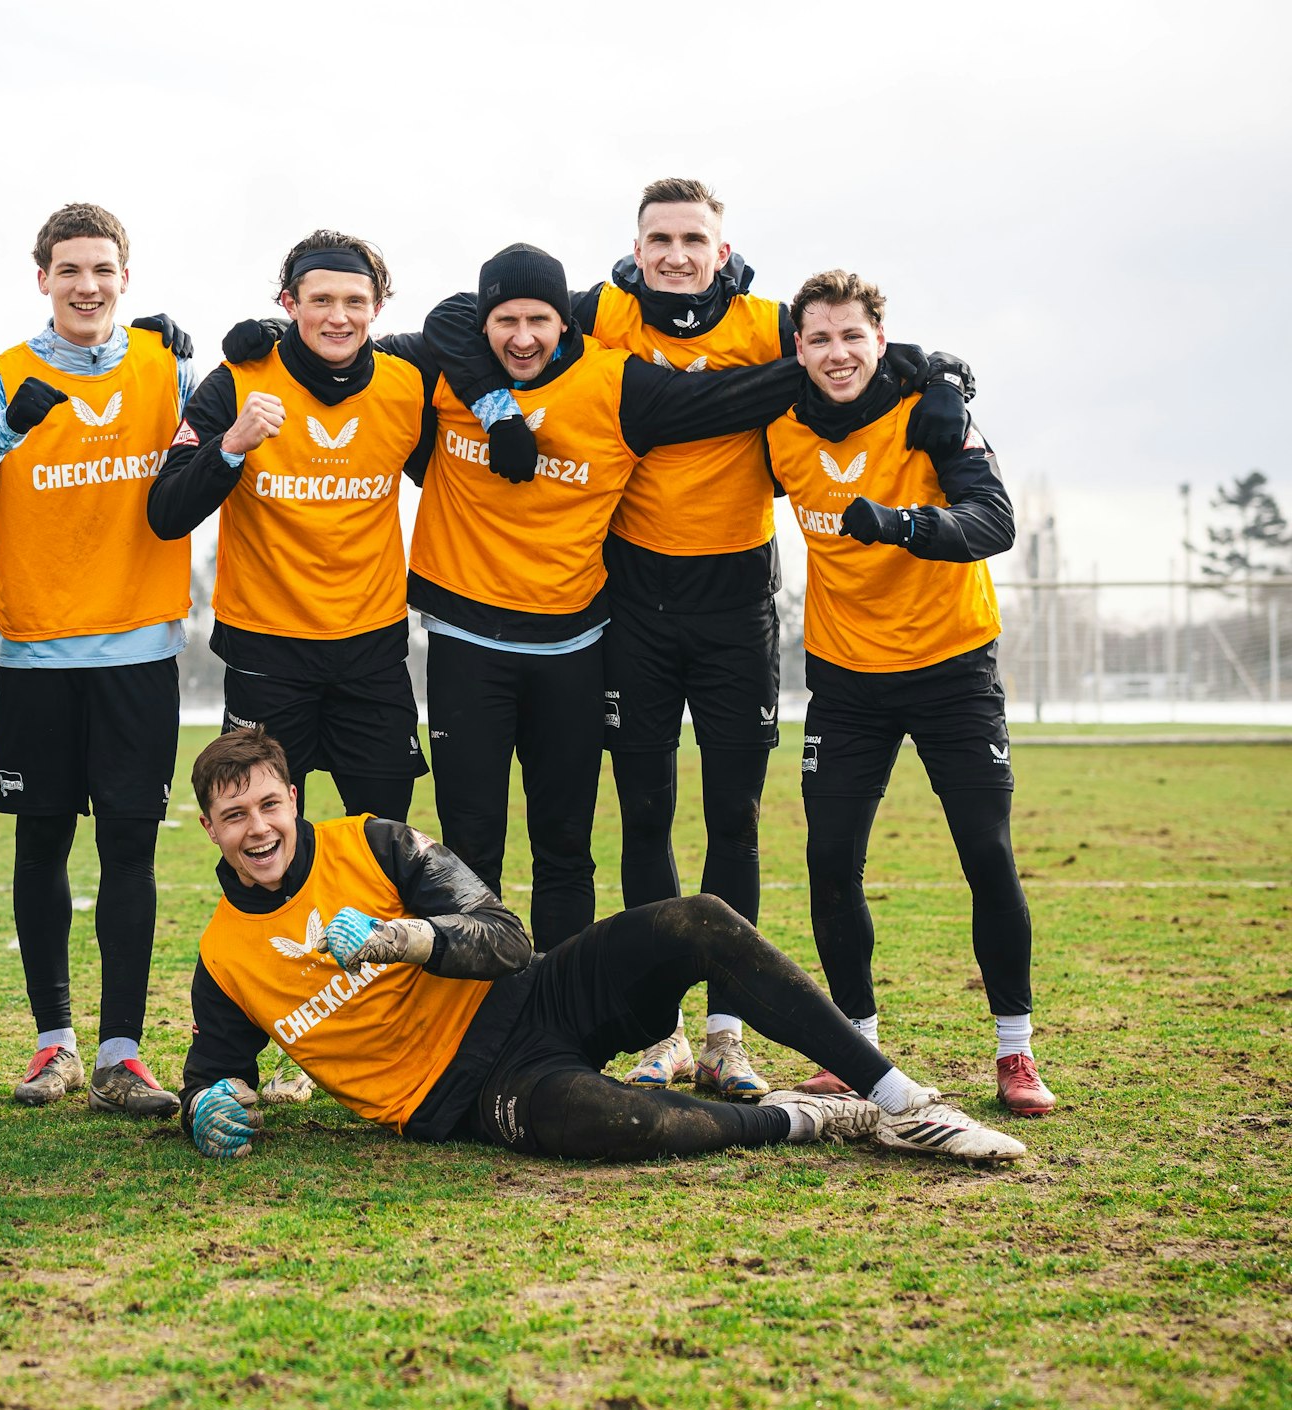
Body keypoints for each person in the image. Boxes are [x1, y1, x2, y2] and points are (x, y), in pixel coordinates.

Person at [422, 181, 975, 1100]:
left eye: (693, 240)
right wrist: (496, 406)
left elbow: (858, 355)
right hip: (635, 602)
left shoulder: (769, 324)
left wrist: (945, 376)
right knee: (644, 813)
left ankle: (726, 1035)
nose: (676, 255)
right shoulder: (600, 314)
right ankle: (660, 1032)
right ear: (635, 248)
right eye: (659, 240)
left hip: (736, 603)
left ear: (723, 251)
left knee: (734, 819)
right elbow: (459, 317)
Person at [174, 727, 1025, 1166]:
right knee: (614, 1121)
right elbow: (213, 1076)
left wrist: (404, 936)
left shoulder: (374, 842)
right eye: (234, 816)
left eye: (269, 805)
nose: (258, 829)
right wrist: (205, 1110)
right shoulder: (222, 956)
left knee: (700, 918)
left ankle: (904, 1102)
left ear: (294, 798)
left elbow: (506, 940)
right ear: (209, 829)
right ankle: (814, 1118)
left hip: (537, 994)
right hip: (469, 1097)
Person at [410, 244, 815, 953]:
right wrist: (497, 410)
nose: (523, 337)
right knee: (470, 847)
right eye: (505, 321)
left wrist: (871, 364)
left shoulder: (615, 381)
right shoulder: (447, 370)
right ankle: (477, 1010)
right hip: (466, 645)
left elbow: (724, 398)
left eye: (539, 320)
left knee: (566, 844)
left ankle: (560, 1006)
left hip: (572, 647)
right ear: (484, 325)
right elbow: (387, 338)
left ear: (566, 322)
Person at [0, 202, 195, 1117]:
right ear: (41, 277)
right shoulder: (2, 375)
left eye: (102, 270)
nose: (87, 286)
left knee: (129, 851)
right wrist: (6, 425)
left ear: (126, 278)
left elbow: (224, 444)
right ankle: (55, 1046)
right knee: (41, 846)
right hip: (39, 653)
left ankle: (122, 1056)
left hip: (141, 649)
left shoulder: (168, 366)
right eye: (69, 270)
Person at [765, 269, 1054, 1118]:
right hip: (845, 676)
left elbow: (995, 521)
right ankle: (856, 1048)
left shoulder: (932, 412)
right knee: (829, 861)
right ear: (798, 348)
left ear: (879, 340)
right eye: (820, 338)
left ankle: (1015, 1050)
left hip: (951, 666)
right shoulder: (779, 426)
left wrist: (904, 524)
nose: (838, 353)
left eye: (853, 336)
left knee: (986, 853)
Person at [147, 230, 436, 825]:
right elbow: (166, 513)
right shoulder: (236, 382)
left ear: (377, 308)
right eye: (320, 300)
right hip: (266, 653)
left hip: (373, 648)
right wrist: (231, 446)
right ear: (289, 302)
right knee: (262, 835)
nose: (338, 317)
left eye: (354, 302)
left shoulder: (407, 385)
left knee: (384, 838)